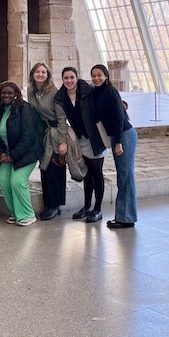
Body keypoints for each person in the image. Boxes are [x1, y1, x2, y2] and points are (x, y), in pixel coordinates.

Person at [55, 67, 108, 223]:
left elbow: (104, 102)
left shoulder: (89, 91)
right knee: (88, 174)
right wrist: (63, 141)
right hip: (81, 139)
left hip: (95, 137)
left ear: (77, 78)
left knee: (97, 172)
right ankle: (86, 206)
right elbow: (61, 121)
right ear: (62, 80)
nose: (69, 81)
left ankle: (97, 208)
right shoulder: (61, 97)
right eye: (66, 78)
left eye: (72, 77)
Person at [0, 82, 43, 227]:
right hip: (6, 154)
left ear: (16, 94)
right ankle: (15, 213)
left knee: (17, 181)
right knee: (4, 180)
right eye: (3, 93)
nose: (6, 96)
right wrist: (0, 153)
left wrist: (13, 155)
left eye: (10, 93)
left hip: (27, 153)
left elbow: (29, 136)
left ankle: (27, 214)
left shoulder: (25, 109)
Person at [90, 64, 138, 229]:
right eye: (94, 75)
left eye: (100, 75)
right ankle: (123, 216)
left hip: (123, 136)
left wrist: (118, 142)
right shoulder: (97, 92)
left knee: (126, 177)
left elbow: (118, 118)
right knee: (122, 176)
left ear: (106, 76)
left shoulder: (110, 92)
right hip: (117, 136)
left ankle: (127, 218)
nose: (97, 78)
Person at [26, 62, 67, 221]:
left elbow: (62, 118)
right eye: (38, 72)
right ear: (33, 74)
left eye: (43, 72)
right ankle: (48, 203)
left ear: (48, 74)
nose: (40, 74)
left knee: (54, 168)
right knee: (44, 169)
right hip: (41, 133)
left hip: (55, 133)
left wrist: (62, 141)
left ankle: (55, 205)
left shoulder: (54, 93)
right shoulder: (31, 91)